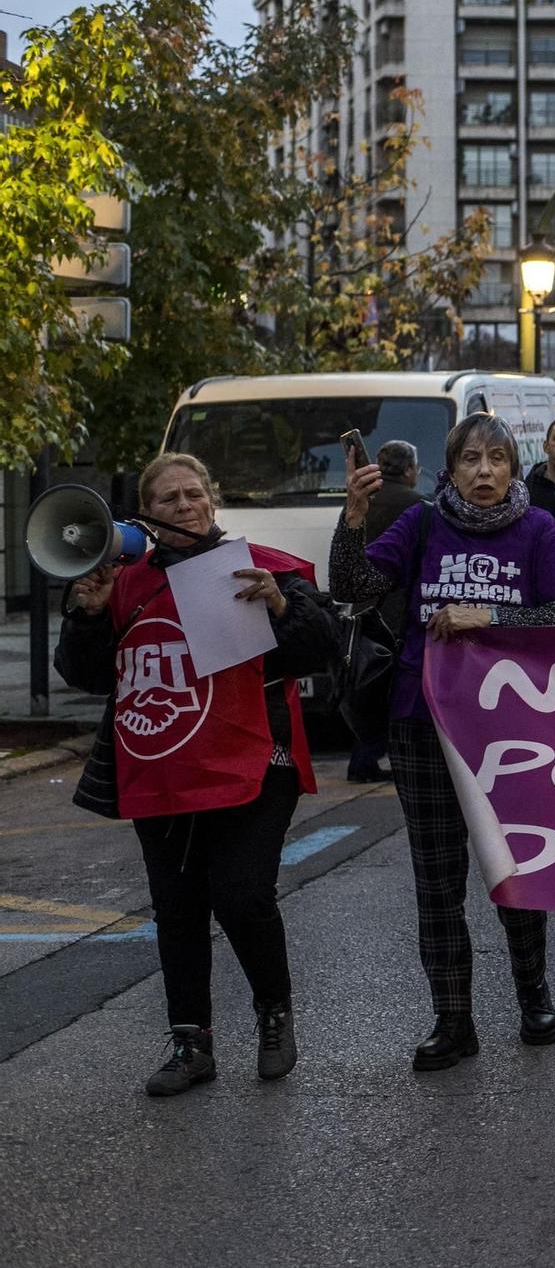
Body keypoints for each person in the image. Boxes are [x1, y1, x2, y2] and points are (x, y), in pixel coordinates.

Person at [56, 452, 336, 1096]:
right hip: (162, 767)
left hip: (253, 765)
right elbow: (86, 675)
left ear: (212, 501)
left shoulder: (260, 567)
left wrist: (279, 606)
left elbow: (319, 649)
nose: (184, 506)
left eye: (193, 495)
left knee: (242, 896)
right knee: (177, 909)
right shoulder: (123, 582)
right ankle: (191, 1044)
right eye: (168, 499)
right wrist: (89, 613)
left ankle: (273, 1012)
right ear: (147, 514)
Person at [332, 413, 555, 1071]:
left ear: (513, 468)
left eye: (496, 459)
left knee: (513, 866)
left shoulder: (539, 529)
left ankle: (533, 994)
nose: (484, 471)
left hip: (509, 730)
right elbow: (352, 589)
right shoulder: (421, 523)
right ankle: (452, 1017)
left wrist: (489, 614)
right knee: (437, 880)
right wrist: (352, 519)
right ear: (450, 471)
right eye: (471, 459)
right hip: (423, 721)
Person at [348, 439, 426, 783]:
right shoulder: (419, 506)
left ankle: (361, 759)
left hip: (364, 608)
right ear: (409, 469)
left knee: (366, 689)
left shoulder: (363, 500)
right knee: (392, 690)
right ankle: (383, 757)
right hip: (396, 610)